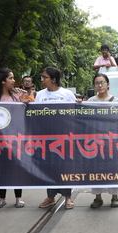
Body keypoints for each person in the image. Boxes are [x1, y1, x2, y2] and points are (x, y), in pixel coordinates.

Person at [0, 68, 31, 208]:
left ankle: (18, 197)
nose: (14, 81)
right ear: (3, 81)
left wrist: (23, 102)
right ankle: (2, 198)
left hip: (15, 138)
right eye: (11, 78)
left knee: (16, 166)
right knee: (1, 167)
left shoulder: (16, 97)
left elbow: (24, 115)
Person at [76, 73, 118, 208]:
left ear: (108, 84)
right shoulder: (90, 102)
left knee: (113, 169)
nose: (100, 85)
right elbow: (83, 120)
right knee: (95, 169)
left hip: (111, 141)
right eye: (97, 83)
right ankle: (98, 197)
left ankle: (115, 196)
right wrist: (79, 105)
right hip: (94, 141)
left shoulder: (116, 102)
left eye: (102, 82)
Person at [36, 67, 76, 210]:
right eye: (42, 77)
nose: (42, 80)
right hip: (46, 137)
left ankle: (68, 198)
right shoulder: (39, 95)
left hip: (65, 137)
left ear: (53, 79)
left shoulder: (67, 94)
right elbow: (35, 115)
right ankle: (51, 196)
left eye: (45, 77)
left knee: (65, 166)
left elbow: (75, 114)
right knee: (49, 167)